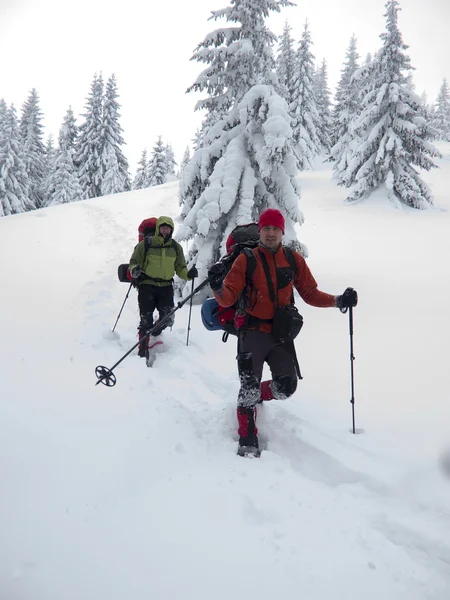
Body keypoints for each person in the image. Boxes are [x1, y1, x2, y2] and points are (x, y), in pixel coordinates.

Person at [207, 208, 358, 456]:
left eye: (275, 229)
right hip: (252, 331)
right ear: (260, 231)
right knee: (247, 387)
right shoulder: (246, 259)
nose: (270, 234)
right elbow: (228, 298)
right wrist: (216, 285)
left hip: (279, 334)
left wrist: (338, 300)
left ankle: (259, 395)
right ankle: (247, 436)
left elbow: (310, 293)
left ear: (282, 232)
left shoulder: (293, 259)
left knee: (286, 386)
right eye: (266, 228)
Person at [129, 215, 198, 357]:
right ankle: (143, 349)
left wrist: (188, 274)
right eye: (163, 227)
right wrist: (134, 269)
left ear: (171, 229)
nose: (165, 230)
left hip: (166, 287)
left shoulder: (175, 247)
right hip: (147, 285)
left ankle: (155, 331)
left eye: (168, 228)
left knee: (168, 317)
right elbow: (134, 261)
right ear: (158, 228)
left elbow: (180, 268)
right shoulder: (146, 244)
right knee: (145, 319)